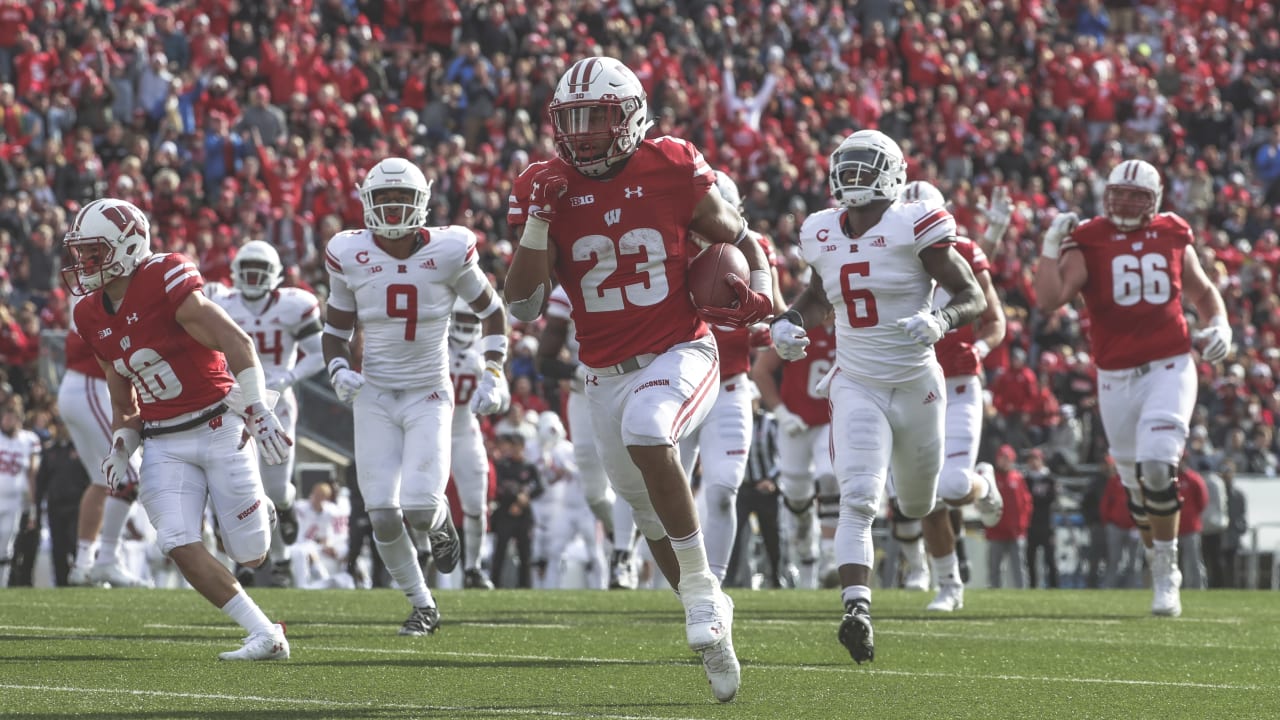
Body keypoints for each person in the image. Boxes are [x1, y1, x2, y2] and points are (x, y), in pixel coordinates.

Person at [504, 56, 772, 701]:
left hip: (680, 348)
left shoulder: (672, 165)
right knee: (646, 514)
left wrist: (763, 293)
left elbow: (745, 238)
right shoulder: (543, 183)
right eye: (572, 120)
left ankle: (704, 590)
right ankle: (704, 613)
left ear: (629, 116)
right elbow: (522, 306)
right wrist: (540, 219)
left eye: (596, 118)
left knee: (650, 432)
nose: (584, 134)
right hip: (601, 370)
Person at [769, 129, 986, 663]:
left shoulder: (915, 223)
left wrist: (941, 319)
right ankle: (856, 608)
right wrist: (789, 321)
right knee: (860, 497)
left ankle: (947, 574)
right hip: (857, 382)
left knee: (917, 501)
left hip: (916, 383)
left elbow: (973, 295)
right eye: (848, 164)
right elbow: (821, 295)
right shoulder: (819, 230)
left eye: (866, 165)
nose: (853, 175)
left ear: (892, 173)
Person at [65, 197, 290, 660]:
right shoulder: (88, 314)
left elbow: (237, 340)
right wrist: (121, 444)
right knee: (176, 541)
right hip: (163, 439)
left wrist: (257, 409)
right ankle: (266, 634)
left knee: (250, 555)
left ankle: (259, 511)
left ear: (128, 247)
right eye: (81, 252)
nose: (84, 263)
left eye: (94, 252)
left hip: (220, 424)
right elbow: (122, 397)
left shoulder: (164, 278)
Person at [1034, 158, 1233, 617]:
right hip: (1114, 376)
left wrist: (1219, 323)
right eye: (1117, 194)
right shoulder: (1090, 236)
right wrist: (1048, 247)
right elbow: (1049, 298)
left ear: (1155, 201)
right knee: (1135, 490)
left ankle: (1167, 572)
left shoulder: (1172, 231)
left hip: (1170, 363)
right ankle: (1154, 553)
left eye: (1134, 196)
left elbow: (1202, 291)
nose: (1123, 203)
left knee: (1159, 468)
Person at [322, 156, 510, 636]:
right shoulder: (348, 252)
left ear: (420, 203)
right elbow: (335, 329)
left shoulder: (450, 250)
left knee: (422, 508)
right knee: (383, 513)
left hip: (429, 391)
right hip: (376, 394)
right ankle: (422, 604)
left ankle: (441, 523)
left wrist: (494, 371)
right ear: (366, 202)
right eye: (381, 199)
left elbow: (492, 311)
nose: (390, 208)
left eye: (400, 199)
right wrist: (339, 367)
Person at [896, 180, 1008, 612]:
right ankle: (948, 585)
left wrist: (978, 348)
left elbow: (992, 316)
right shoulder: (880, 252)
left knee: (956, 484)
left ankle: (985, 482)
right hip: (910, 383)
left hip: (958, 381)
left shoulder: (961, 252)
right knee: (922, 493)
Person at [678, 170, 785, 585]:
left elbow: (773, 311)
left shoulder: (754, 248)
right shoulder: (675, 247)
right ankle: (674, 580)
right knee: (672, 491)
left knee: (722, 491)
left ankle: (715, 585)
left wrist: (766, 325)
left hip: (730, 386)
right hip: (682, 381)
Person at [211, 240, 324, 586]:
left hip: (277, 402)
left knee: (274, 490)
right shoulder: (221, 303)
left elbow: (318, 353)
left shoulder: (295, 305)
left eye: (260, 271)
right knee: (238, 486)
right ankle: (257, 563)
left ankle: (285, 513)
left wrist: (288, 376)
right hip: (234, 403)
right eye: (247, 271)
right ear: (236, 273)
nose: (253, 278)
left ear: (274, 274)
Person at [536, 285, 638, 589]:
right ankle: (624, 535)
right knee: (594, 492)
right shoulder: (566, 292)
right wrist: (573, 371)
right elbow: (544, 360)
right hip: (585, 392)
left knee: (624, 478)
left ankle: (622, 554)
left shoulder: (636, 278)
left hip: (628, 385)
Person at [59, 297, 149, 588]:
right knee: (128, 478)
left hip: (81, 387)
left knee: (102, 481)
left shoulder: (99, 289)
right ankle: (107, 560)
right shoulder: (103, 294)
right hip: (92, 385)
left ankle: (83, 564)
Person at [750, 311, 836, 590]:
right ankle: (808, 557)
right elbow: (760, 370)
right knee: (797, 497)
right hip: (795, 423)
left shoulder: (851, 323)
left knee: (830, 477)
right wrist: (781, 412)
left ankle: (831, 557)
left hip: (832, 419)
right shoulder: (800, 324)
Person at [445, 299, 497, 590]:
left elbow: (500, 391)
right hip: (435, 430)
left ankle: (473, 568)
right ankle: (424, 556)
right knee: (420, 502)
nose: (465, 323)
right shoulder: (436, 346)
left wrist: (494, 397)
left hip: (466, 431)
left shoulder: (484, 353)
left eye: (471, 317)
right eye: (460, 317)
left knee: (477, 505)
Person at [36, 417, 91, 586]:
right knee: (58, 547)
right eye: (59, 425)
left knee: (76, 544)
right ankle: (61, 583)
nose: (61, 429)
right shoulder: (49, 451)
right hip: (55, 505)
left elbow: (91, 479)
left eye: (64, 425)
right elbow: (41, 482)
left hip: (77, 506)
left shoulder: (82, 449)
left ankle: (80, 581)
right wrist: (37, 509)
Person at [0, 400, 39, 587]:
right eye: (4, 416)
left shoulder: (29, 440)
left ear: (19, 419)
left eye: (10, 416)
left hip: (14, 501)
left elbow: (31, 475)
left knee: (6, 548)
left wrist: (32, 508)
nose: (6, 420)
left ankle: (3, 585)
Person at [984, 448, 1030, 588]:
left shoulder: (1017, 478)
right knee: (994, 567)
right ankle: (994, 591)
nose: (1004, 462)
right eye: (1002, 458)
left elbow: (1026, 503)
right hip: (996, 531)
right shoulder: (991, 479)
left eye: (1007, 458)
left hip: (1015, 532)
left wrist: (1022, 525)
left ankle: (1022, 591)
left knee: (1019, 566)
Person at [1023, 449, 1060, 589]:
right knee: (1030, 559)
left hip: (1047, 524)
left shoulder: (1049, 479)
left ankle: (1054, 586)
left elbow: (1051, 499)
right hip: (1030, 524)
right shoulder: (1026, 480)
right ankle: (1033, 586)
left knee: (1050, 558)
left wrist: (1035, 499)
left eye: (1035, 459)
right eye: (1030, 459)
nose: (1033, 462)